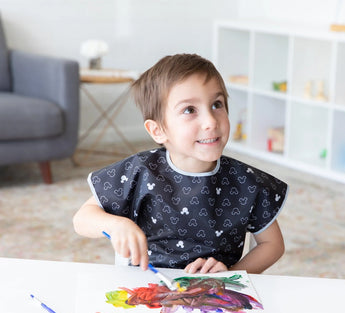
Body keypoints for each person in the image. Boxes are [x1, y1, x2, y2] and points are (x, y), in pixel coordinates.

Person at [73, 54, 288, 274]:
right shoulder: (139, 171)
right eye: (189, 110)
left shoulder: (247, 182)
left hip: (214, 295)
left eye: (217, 104)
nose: (211, 122)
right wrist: (115, 225)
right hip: (143, 291)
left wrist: (231, 275)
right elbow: (82, 219)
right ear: (158, 130)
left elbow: (272, 245)